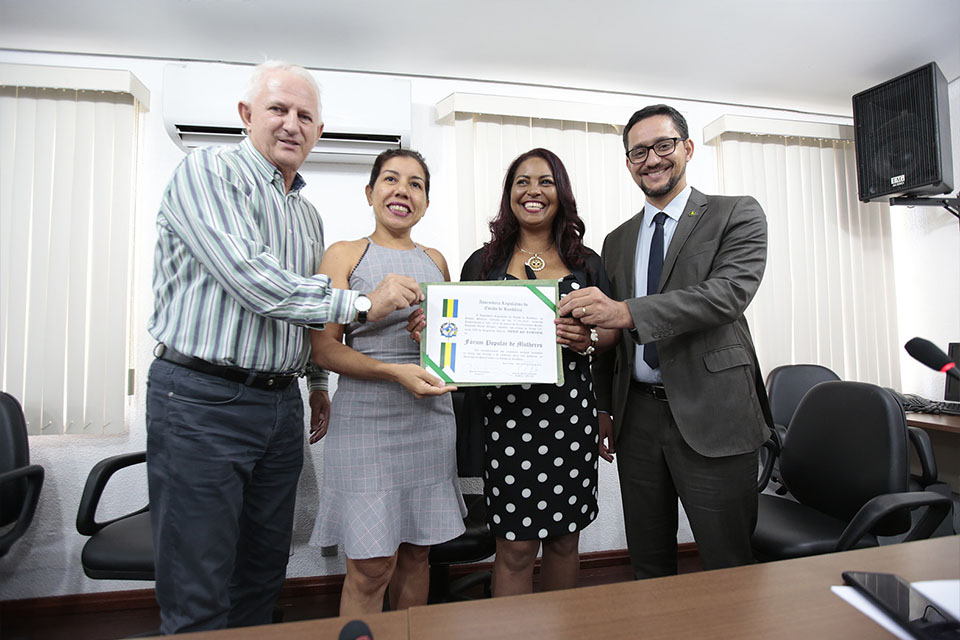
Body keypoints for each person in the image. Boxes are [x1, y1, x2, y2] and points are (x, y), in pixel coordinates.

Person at [146, 61, 423, 634]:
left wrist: (317, 385)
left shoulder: (305, 213)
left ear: (319, 131)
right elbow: (255, 281)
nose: (292, 124)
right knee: (200, 579)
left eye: (305, 116)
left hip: (278, 404)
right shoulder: (208, 172)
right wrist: (363, 305)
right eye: (278, 109)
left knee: (263, 570)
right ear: (247, 116)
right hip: (201, 399)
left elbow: (302, 317)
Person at [559, 104, 774, 578]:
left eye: (663, 145)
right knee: (648, 561)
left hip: (714, 414)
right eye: (639, 151)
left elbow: (727, 295)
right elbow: (609, 332)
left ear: (687, 148)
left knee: (728, 563)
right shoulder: (616, 240)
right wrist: (601, 405)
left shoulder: (735, 213)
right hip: (636, 418)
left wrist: (627, 311)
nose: (652, 159)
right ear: (628, 162)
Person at [448, 148, 615, 596]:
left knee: (564, 541)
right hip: (507, 423)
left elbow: (614, 334)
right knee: (515, 548)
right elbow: (459, 337)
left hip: (570, 420)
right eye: (522, 181)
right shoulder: (482, 264)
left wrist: (590, 340)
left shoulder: (587, 263)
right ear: (509, 195)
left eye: (545, 181)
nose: (533, 191)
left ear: (560, 193)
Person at [309, 149, 465, 616]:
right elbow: (324, 350)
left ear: (426, 201)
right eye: (391, 180)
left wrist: (433, 336)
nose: (403, 191)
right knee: (372, 566)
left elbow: (450, 345)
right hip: (366, 424)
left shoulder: (436, 261)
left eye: (416, 184)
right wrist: (392, 371)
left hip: (430, 421)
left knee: (418, 555)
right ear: (370, 192)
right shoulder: (343, 254)